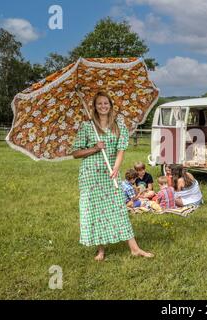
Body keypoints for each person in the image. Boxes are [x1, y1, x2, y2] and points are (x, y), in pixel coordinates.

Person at [72, 91, 153, 261]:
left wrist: (116, 167)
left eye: (106, 103)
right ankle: (101, 250)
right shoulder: (87, 126)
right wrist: (94, 148)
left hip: (110, 174)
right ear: (94, 107)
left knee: (118, 209)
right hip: (90, 175)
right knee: (95, 211)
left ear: (110, 106)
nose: (103, 106)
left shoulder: (118, 125)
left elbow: (121, 149)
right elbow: (76, 153)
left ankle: (135, 249)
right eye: (99, 103)